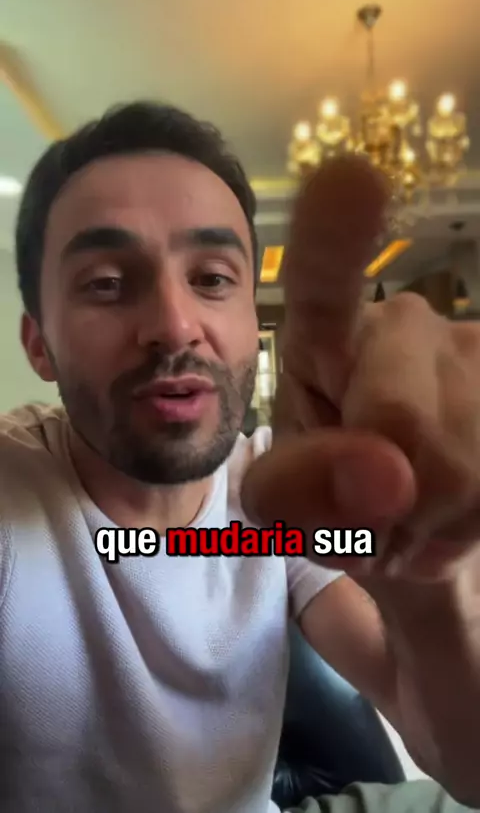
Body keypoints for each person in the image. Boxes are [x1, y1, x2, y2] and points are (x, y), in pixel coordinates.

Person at [0, 100, 479, 813]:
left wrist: (437, 594)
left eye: (212, 278)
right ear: (39, 344)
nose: (174, 326)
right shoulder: (13, 491)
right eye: (107, 283)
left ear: (253, 322)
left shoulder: (284, 501)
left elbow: (464, 761)